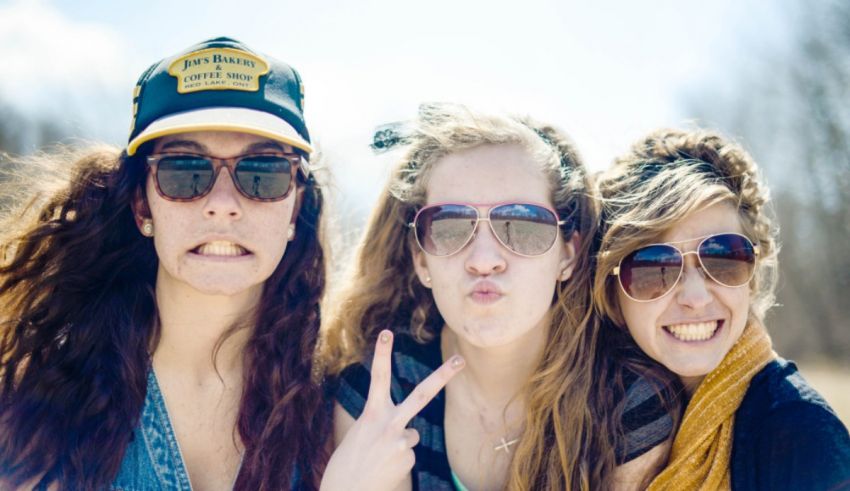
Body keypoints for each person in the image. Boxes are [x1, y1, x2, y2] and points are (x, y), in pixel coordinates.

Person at [0, 37, 330, 490]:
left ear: (294, 207)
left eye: (262, 172)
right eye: (185, 170)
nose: (222, 204)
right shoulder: (40, 393)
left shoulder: (338, 406)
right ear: (142, 204)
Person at [321, 104, 674, 490]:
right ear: (421, 257)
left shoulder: (626, 405)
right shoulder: (383, 394)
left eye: (522, 225)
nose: (484, 261)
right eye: (452, 226)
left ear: (567, 254)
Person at [593, 128, 850, 489]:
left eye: (723, 258)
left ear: (752, 277)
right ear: (613, 291)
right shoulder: (584, 420)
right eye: (654, 268)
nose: (695, 296)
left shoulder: (800, 432)